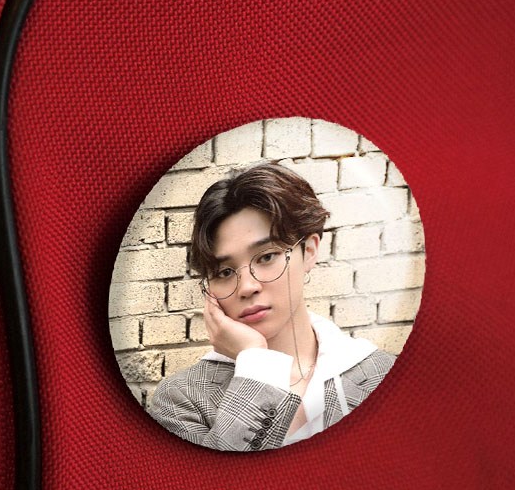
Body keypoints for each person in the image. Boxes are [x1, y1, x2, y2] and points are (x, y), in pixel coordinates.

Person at [149, 161, 395, 451]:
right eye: (224, 272)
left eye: (266, 257)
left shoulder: (382, 373)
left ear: (309, 251)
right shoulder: (181, 399)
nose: (247, 287)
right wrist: (257, 367)